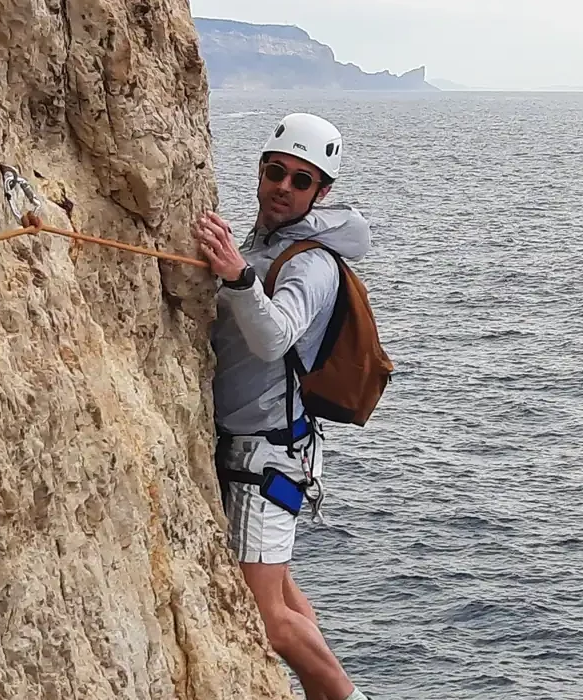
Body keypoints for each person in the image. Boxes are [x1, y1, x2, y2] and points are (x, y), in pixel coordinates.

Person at [191, 112, 373, 700]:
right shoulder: (264, 245)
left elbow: (276, 337)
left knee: (268, 617)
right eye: (276, 171)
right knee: (285, 594)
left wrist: (239, 280)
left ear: (322, 193)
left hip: (265, 458)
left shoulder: (312, 263)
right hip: (268, 446)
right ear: (262, 170)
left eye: (302, 180)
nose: (283, 187)